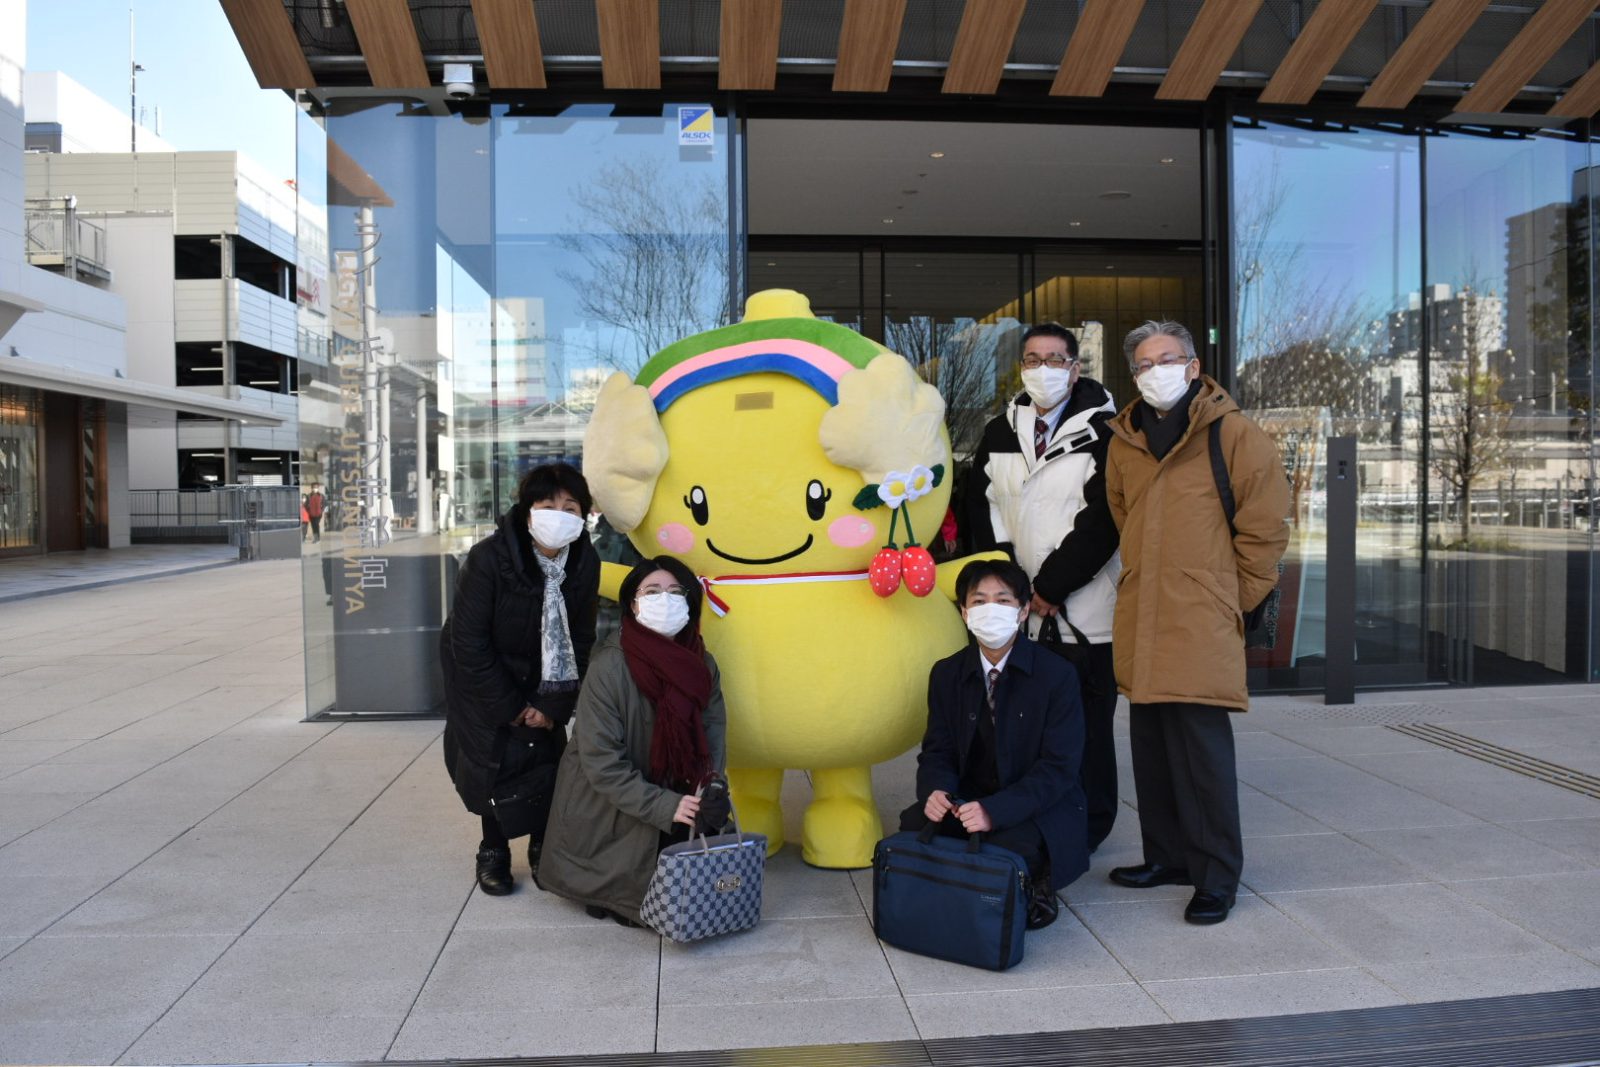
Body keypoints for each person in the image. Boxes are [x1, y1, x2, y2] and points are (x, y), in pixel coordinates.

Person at [1104, 321, 1290, 925]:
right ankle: (1167, 857)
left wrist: (1228, 598)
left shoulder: (1233, 434)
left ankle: (1215, 875)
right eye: (1144, 362)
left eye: (1169, 358)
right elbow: (1122, 512)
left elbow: (1265, 530)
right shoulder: (1126, 438)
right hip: (1143, 610)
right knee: (1152, 745)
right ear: (1133, 374)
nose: (1156, 370)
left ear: (1192, 364)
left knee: (1203, 754)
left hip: (1200, 616)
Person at [965, 322, 1122, 852]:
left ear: (1075, 369)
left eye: (1055, 359)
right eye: (1032, 359)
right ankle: (1029, 824)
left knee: (1088, 732)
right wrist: (1008, 583)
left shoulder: (1107, 431)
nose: (1042, 369)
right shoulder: (999, 431)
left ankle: (1089, 828)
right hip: (1017, 613)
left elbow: (1105, 519)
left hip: (1085, 612)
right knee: (1021, 728)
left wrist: (1052, 586)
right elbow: (983, 508)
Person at [538, 555, 729, 928]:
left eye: (676, 592)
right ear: (633, 602)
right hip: (608, 802)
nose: (666, 599)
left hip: (674, 793)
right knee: (630, 899)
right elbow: (601, 760)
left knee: (693, 886)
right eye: (653, 591)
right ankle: (604, 888)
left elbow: (713, 732)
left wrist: (711, 786)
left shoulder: (702, 663)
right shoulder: (611, 664)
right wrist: (665, 804)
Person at [900, 558, 1088, 931]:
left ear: (1022, 612)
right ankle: (958, 887)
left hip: (1035, 803)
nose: (991, 610)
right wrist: (937, 791)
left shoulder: (1057, 675)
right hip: (968, 797)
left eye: (1003, 601)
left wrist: (995, 810)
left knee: (1012, 841)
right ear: (965, 613)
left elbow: (1059, 768)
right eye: (980, 601)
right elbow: (938, 749)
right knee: (914, 822)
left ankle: (1036, 885)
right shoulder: (947, 673)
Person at [440, 463, 600, 896]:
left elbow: (582, 638)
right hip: (486, 681)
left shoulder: (585, 561)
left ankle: (542, 845)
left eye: (571, 506)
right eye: (548, 504)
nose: (559, 513)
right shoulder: (489, 558)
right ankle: (492, 848)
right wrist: (513, 706)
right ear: (527, 509)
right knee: (493, 763)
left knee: (546, 764)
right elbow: (468, 643)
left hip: (550, 682)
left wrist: (551, 706)